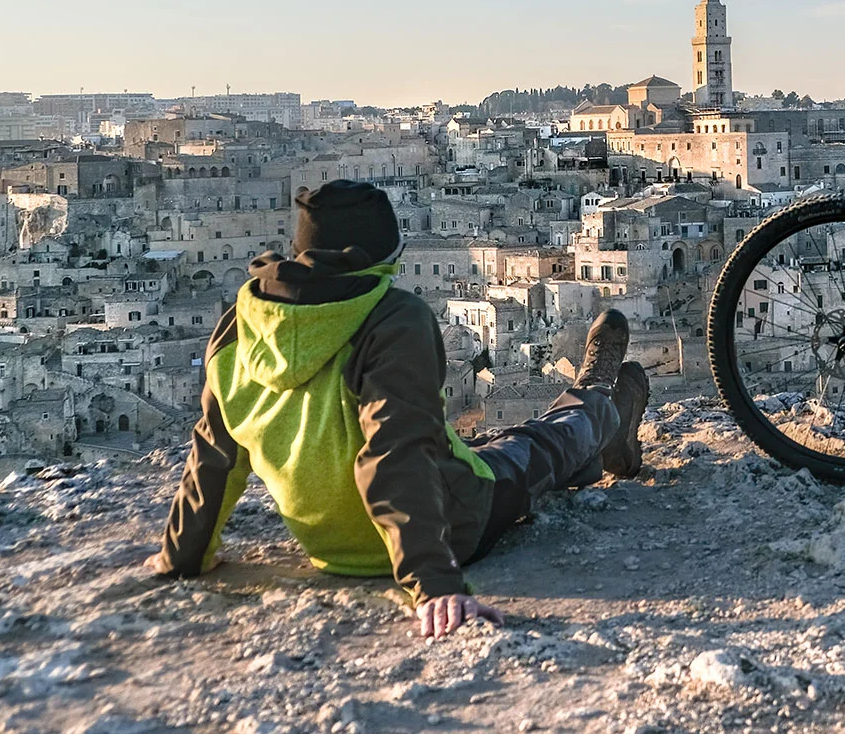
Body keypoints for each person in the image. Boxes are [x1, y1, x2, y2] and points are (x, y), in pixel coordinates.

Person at [147, 179, 650, 637]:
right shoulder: (391, 316)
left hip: (329, 547)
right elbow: (395, 454)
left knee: (481, 445)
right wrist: (433, 582)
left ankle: (606, 439)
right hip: (452, 523)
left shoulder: (241, 322)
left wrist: (181, 556)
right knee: (540, 446)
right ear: (385, 257)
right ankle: (602, 394)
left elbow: (215, 457)